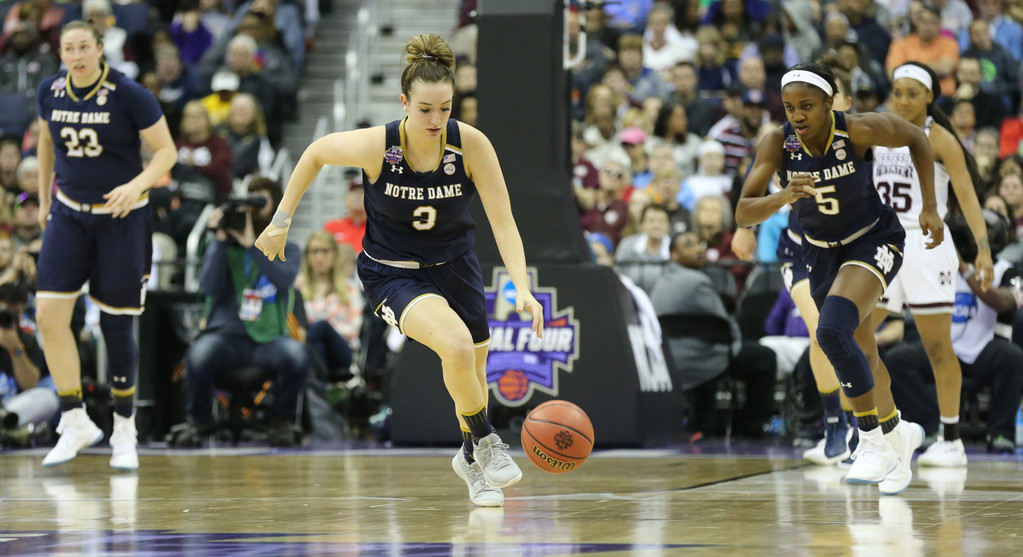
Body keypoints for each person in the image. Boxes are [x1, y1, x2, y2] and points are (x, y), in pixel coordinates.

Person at [254, 34, 543, 507]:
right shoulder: (377, 146)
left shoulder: (471, 145)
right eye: (426, 109)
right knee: (454, 347)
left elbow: (504, 221)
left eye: (445, 109)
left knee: (470, 370)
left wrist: (523, 288)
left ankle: (469, 462)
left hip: (457, 267)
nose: (436, 120)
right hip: (393, 273)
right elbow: (314, 153)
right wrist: (280, 222)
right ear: (405, 102)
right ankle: (489, 443)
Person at [735, 62, 939, 495]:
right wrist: (784, 195)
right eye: (790, 107)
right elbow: (742, 211)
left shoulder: (859, 130)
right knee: (863, 351)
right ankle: (898, 434)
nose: (798, 116)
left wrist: (930, 206)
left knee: (829, 331)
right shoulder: (779, 142)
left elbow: (918, 139)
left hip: (873, 240)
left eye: (807, 106)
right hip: (821, 253)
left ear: (830, 103)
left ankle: (869, 439)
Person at [35, 21, 176, 470]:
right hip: (68, 214)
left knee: (117, 326)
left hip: (121, 220)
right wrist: (42, 200)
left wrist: (135, 186)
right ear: (60, 54)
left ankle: (123, 428)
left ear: (100, 50)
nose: (76, 55)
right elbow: (44, 143)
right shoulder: (50, 92)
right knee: (48, 317)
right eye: (68, 49)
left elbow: (166, 152)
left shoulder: (129, 93)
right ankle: (75, 419)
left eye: (83, 47)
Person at [871, 62, 993, 468]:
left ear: (929, 97)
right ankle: (868, 433)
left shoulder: (940, 138)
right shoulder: (875, 130)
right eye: (897, 92)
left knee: (937, 346)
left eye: (911, 93)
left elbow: (969, 200)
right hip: (882, 244)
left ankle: (952, 439)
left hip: (926, 245)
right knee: (853, 336)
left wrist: (983, 252)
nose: (901, 100)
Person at [179, 176, 309, 448]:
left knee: (296, 354)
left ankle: (281, 421)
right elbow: (208, 286)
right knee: (198, 354)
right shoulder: (224, 247)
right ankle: (199, 421)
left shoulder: (289, 248)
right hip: (226, 337)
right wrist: (219, 238)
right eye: (250, 201)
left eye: (261, 201)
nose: (254, 209)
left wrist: (254, 246)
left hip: (267, 340)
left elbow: (283, 280)